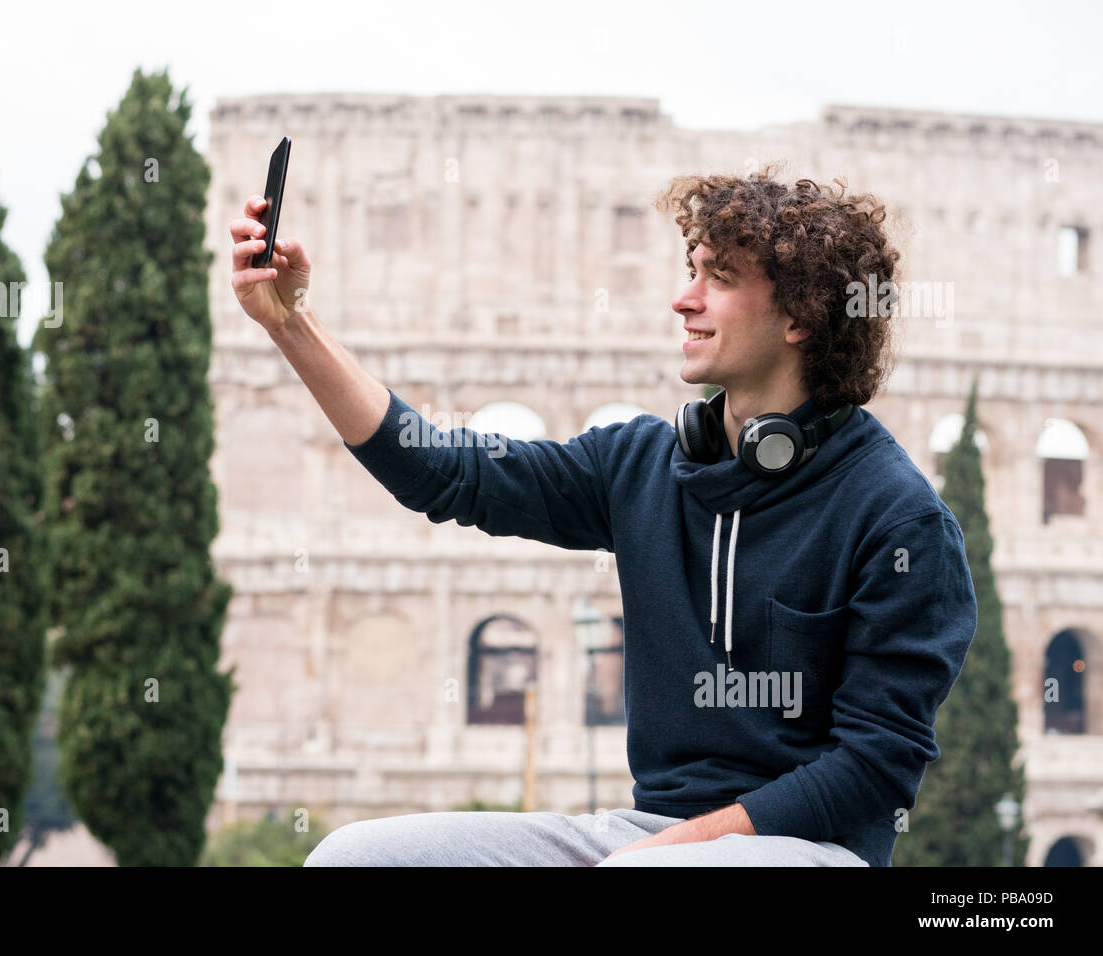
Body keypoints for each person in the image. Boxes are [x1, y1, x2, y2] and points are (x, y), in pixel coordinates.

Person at [229, 164, 978, 867]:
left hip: (807, 848)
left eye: (719, 279)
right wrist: (291, 322)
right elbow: (442, 472)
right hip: (642, 840)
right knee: (354, 858)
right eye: (692, 272)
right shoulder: (641, 466)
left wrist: (671, 852)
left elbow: (874, 768)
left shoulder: (900, 519)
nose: (684, 299)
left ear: (803, 318)